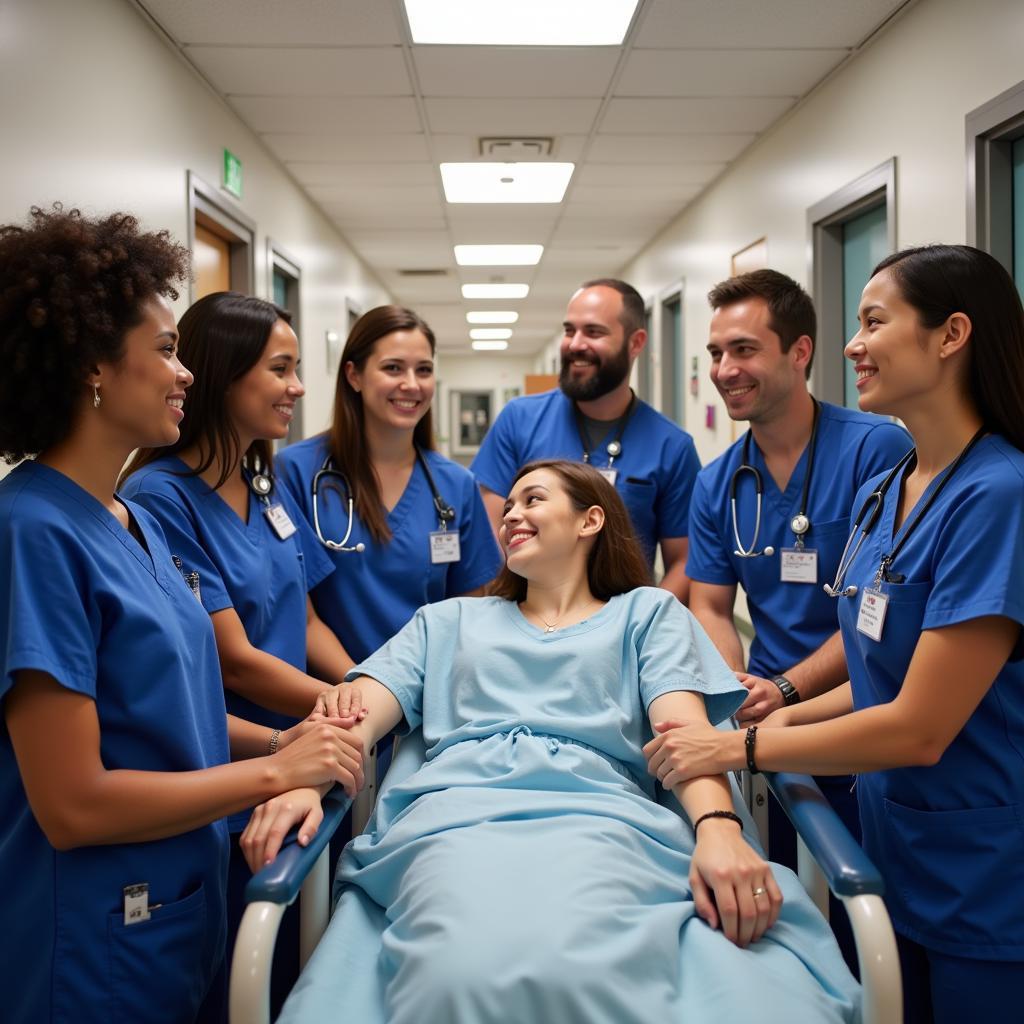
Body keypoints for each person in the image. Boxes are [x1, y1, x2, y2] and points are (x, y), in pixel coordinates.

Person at [243, 461, 860, 1024]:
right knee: (459, 965)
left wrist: (721, 828)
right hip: (458, 820)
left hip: (605, 820)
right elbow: (355, 716)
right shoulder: (447, 621)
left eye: (531, 500)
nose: (510, 515)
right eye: (506, 506)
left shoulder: (647, 614)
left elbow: (686, 740)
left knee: (594, 952)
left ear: (591, 519)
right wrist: (305, 780)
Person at [0, 206, 364, 1024]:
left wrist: (288, 740)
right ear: (95, 365)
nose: (186, 372)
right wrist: (277, 772)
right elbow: (73, 803)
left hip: (174, 911)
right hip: (94, 941)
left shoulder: (130, 524)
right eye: (165, 350)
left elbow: (179, 711)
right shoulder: (32, 532)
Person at [646, 245, 1024, 1023]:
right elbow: (879, 666)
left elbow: (919, 724)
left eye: (873, 321)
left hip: (983, 870)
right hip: (896, 842)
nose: (854, 344)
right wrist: (780, 712)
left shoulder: (997, 495)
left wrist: (736, 748)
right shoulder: (896, 487)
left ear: (952, 335)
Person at [119, 290, 362, 1014]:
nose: (297, 386)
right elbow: (234, 660)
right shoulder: (162, 495)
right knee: (237, 982)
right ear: (225, 376)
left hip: (303, 756)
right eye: (280, 369)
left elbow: (307, 613)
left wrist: (364, 687)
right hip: (233, 772)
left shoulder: (267, 481)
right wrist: (336, 712)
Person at [686, 269, 909, 961]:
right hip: (768, 725)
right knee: (794, 912)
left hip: (865, 711)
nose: (726, 370)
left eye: (745, 350)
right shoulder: (719, 480)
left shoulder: (878, 450)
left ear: (801, 352)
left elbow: (884, 617)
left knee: (874, 918)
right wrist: (734, 682)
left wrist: (786, 687)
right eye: (716, 354)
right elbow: (711, 603)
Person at [275, 304, 502, 670]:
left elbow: (469, 609)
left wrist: (413, 694)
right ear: (354, 375)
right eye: (393, 368)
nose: (411, 384)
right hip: (329, 703)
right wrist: (364, 692)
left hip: (424, 700)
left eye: (424, 370)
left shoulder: (456, 485)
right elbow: (296, 612)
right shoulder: (296, 472)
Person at [471, 279, 700, 602]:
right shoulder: (519, 420)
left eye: (593, 332)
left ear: (635, 343)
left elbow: (685, 560)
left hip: (621, 630)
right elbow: (490, 530)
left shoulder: (672, 446)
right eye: (569, 330)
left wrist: (644, 619)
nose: (575, 344)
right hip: (525, 614)